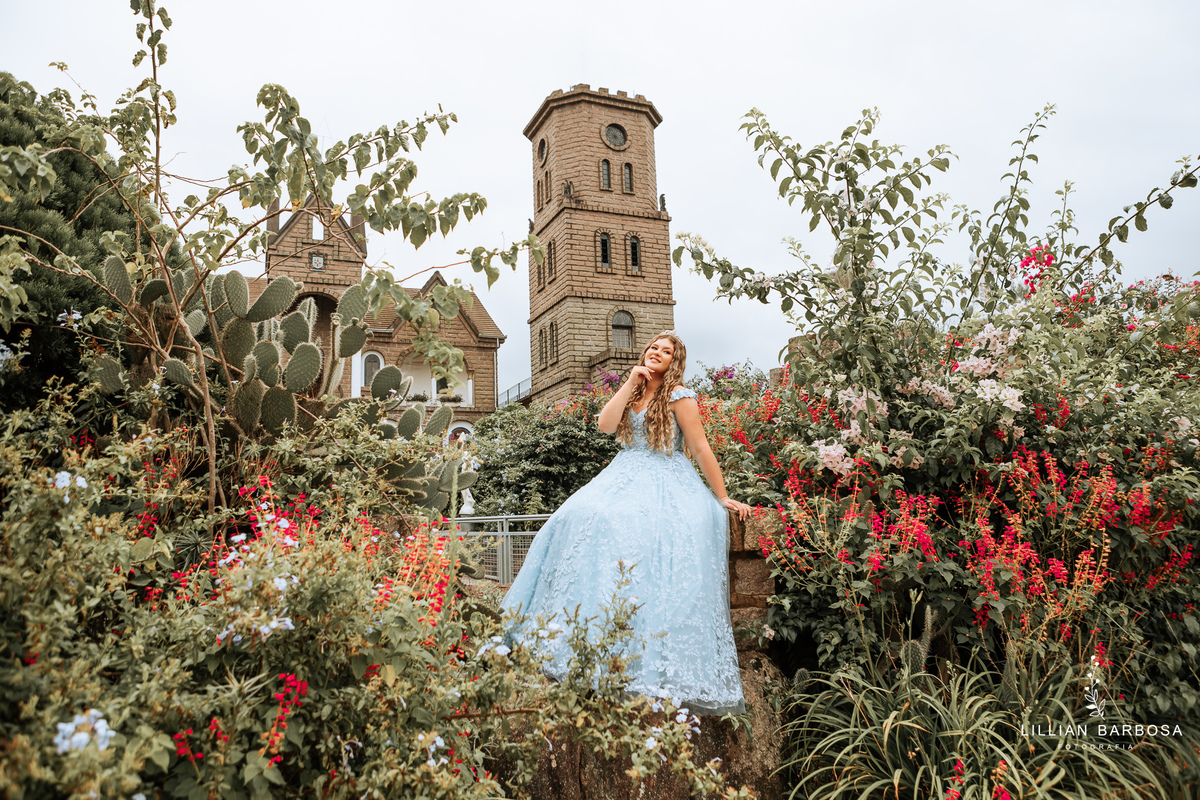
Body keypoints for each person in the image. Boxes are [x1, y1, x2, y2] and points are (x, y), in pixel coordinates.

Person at [501, 331, 751, 715]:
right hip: (623, 472)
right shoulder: (634, 390)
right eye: (653, 348)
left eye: (666, 351)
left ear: (674, 361)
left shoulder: (679, 396)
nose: (657, 353)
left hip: (666, 476)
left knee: (635, 528)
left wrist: (721, 496)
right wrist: (631, 381)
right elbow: (605, 425)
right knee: (573, 515)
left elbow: (700, 447)